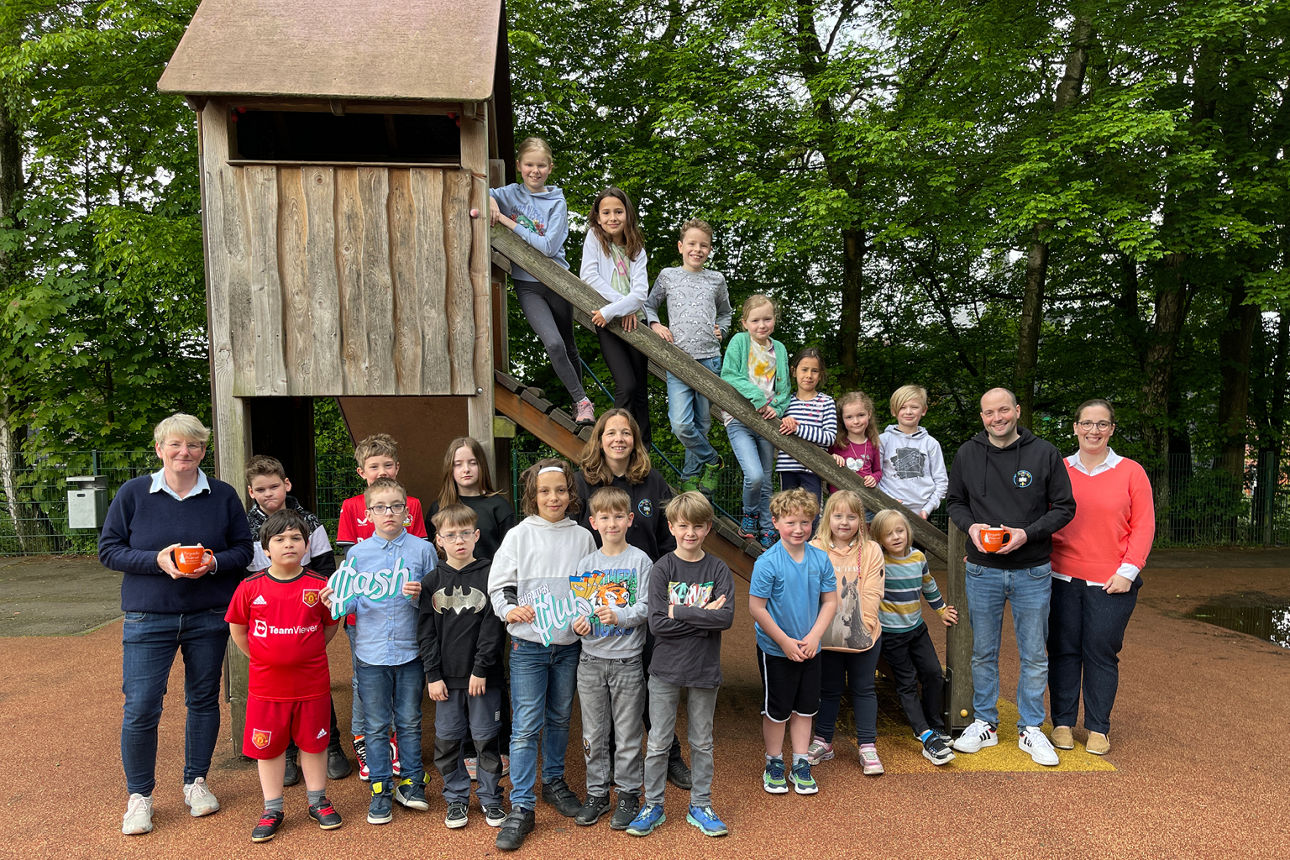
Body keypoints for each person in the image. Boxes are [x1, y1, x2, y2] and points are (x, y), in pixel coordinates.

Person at [100, 412, 254, 836]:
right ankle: (140, 798)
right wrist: (157, 561)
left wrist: (214, 562)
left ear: (203, 451)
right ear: (159, 449)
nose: (185, 452)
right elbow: (109, 550)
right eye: (176, 444)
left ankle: (196, 782)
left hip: (208, 615)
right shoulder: (133, 493)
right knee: (141, 706)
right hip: (149, 616)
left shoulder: (222, 496)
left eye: (194, 446)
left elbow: (243, 550)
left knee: (203, 700)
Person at [946, 387, 1076, 766]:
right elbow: (955, 502)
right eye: (989, 412)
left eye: (1003, 410)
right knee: (982, 652)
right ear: (982, 416)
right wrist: (970, 529)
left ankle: (1031, 728)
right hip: (982, 570)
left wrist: (1027, 533)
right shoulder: (968, 453)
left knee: (1034, 654)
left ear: (1017, 411)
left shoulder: (1044, 453)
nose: (997, 418)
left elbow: (1065, 507)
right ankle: (985, 722)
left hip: (1033, 570)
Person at [573, 409, 691, 790]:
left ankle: (666, 752)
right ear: (600, 438)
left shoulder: (651, 481)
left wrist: (669, 581)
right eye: (611, 432)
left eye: (627, 432)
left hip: (645, 595)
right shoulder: (583, 483)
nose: (619, 439)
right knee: (608, 683)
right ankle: (608, 764)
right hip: (599, 600)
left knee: (651, 677)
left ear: (634, 440)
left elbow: (668, 536)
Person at [488, 459, 596, 851]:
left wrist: (584, 617)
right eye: (545, 491)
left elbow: (589, 589)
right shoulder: (519, 535)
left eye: (561, 490)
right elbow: (500, 584)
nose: (554, 497)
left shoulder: (583, 537)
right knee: (526, 725)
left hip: (567, 647)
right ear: (532, 495)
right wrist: (508, 610)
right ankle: (521, 804)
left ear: (571, 494)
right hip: (528, 647)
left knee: (559, 718)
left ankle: (553, 781)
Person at [322, 477, 434, 825]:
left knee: (410, 720)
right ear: (368, 513)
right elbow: (349, 601)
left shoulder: (423, 550)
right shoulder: (356, 554)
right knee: (375, 724)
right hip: (370, 653)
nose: (389, 513)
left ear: (407, 512)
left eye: (397, 506)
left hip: (410, 651)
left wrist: (421, 597)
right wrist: (334, 601)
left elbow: (436, 603)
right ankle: (381, 789)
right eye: (381, 507)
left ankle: (413, 783)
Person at [226, 510, 343, 842]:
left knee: (314, 743)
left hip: (312, 683)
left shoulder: (320, 586)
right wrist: (263, 658)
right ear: (265, 549)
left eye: (296, 538)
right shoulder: (250, 587)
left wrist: (307, 651)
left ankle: (318, 800)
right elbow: (238, 628)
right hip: (267, 687)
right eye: (279, 539)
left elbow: (330, 624)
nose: (288, 544)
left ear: (307, 546)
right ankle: (272, 807)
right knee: (270, 748)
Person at [1048, 399, 1154, 756]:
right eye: (1087, 423)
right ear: (1075, 427)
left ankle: (1097, 728)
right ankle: (1061, 723)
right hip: (1061, 576)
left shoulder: (1131, 472)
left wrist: (1128, 571)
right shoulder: (1058, 469)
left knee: (1100, 652)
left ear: (1112, 429)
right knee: (1063, 651)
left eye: (1102, 424)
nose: (1094, 430)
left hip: (1112, 582)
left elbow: (1143, 526)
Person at [627, 492, 735, 839]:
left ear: (707, 528)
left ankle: (700, 804)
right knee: (658, 741)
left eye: (698, 526)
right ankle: (653, 804)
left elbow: (726, 619)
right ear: (672, 526)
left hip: (704, 669)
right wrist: (704, 615)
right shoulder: (663, 568)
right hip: (665, 669)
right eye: (683, 525)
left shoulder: (718, 568)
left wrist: (679, 611)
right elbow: (657, 625)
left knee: (702, 741)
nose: (690, 532)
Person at [244, 455, 351, 783]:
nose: (268, 494)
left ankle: (330, 745)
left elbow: (325, 567)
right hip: (268, 615)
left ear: (286, 485)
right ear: (251, 492)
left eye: (274, 486)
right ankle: (287, 752)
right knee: (275, 695)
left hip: (306, 610)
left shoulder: (310, 521)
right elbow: (248, 575)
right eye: (260, 489)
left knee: (314, 687)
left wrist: (318, 626)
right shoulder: (245, 526)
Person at [335, 432, 426, 780]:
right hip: (365, 613)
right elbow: (349, 563)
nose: (381, 470)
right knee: (365, 680)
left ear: (398, 468)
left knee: (403, 680)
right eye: (373, 466)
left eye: (387, 464)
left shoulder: (411, 505)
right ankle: (367, 743)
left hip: (403, 613)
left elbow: (417, 554)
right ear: (362, 472)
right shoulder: (351, 507)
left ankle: (399, 748)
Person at [426, 436, 516, 779]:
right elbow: (435, 555)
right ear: (450, 468)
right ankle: (463, 747)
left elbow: (511, 554)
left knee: (491, 671)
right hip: (451, 603)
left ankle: (498, 744)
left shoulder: (498, 506)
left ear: (482, 467)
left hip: (490, 596)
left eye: (472, 462)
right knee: (456, 677)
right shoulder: (439, 507)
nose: (466, 469)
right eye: (459, 463)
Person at [489, 136, 594, 425]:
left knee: (569, 346)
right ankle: (582, 401)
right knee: (554, 343)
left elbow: (548, 247)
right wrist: (489, 201)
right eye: (529, 165)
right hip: (528, 285)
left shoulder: (556, 201)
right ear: (520, 166)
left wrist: (508, 222)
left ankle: (579, 403)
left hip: (557, 281)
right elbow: (481, 189)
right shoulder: (509, 194)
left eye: (541, 165)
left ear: (550, 168)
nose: (535, 171)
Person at [417, 504, 508, 829]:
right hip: (446, 681)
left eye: (465, 533)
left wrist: (481, 669)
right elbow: (425, 633)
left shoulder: (490, 575)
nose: (459, 540)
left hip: (484, 678)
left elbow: (493, 628)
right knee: (448, 742)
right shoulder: (431, 582)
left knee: (486, 740)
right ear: (439, 540)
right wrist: (433, 675)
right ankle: (456, 800)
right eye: (451, 535)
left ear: (476, 535)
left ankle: (491, 798)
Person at [570, 487, 653, 830]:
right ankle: (597, 793)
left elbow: (647, 607)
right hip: (590, 661)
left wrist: (620, 616)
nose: (612, 522)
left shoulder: (640, 561)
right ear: (593, 523)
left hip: (627, 662)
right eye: (604, 517)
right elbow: (578, 611)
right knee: (594, 732)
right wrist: (577, 624)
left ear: (630, 519)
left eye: (619, 515)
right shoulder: (586, 564)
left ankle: (630, 793)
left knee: (629, 732)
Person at [748, 489, 838, 796]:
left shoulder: (821, 559)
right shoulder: (767, 562)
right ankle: (774, 761)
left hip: (811, 648)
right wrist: (785, 642)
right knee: (777, 710)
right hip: (776, 650)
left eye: (805, 522)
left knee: (806, 708)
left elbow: (829, 602)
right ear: (775, 522)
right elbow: (757, 608)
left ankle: (801, 762)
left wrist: (814, 637)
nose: (798, 529)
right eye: (790, 522)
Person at [644, 218, 732, 494]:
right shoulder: (668, 276)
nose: (698, 249)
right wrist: (655, 324)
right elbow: (648, 305)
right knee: (682, 424)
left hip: (709, 359)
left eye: (703, 245)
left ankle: (690, 479)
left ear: (709, 249)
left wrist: (724, 330)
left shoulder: (716, 279)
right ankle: (713, 461)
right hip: (678, 361)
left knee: (702, 425)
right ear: (681, 246)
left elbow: (726, 313)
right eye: (692, 244)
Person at [805, 491, 885, 774]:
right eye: (838, 516)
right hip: (826, 635)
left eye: (851, 516)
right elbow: (810, 589)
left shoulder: (872, 550)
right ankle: (823, 740)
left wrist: (865, 624)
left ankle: (867, 745)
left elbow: (872, 590)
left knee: (864, 688)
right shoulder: (815, 547)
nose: (844, 522)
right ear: (828, 518)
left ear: (860, 520)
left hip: (862, 634)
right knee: (829, 690)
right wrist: (817, 629)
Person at [872, 508, 958, 766]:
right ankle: (922, 730)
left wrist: (941, 609)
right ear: (880, 539)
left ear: (908, 532)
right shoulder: (880, 562)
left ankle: (935, 723)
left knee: (933, 673)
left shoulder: (918, 557)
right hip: (891, 634)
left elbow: (928, 585)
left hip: (917, 629)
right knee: (906, 681)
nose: (896, 537)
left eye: (900, 531)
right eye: (889, 534)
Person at [580, 186, 652, 444]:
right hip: (608, 323)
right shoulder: (594, 239)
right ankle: (610, 441)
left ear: (628, 214)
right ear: (598, 217)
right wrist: (623, 307)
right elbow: (588, 276)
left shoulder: (637, 248)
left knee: (641, 392)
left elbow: (641, 292)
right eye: (606, 212)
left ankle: (643, 449)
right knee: (626, 385)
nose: (613, 217)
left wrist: (622, 308)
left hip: (635, 323)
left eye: (618, 212)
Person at [720, 293, 792, 548]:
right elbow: (729, 375)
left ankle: (766, 527)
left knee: (767, 478)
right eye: (755, 320)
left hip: (767, 421)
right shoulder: (740, 342)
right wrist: (757, 397)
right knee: (754, 474)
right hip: (740, 417)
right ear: (744, 323)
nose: (762, 325)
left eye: (767, 319)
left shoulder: (779, 348)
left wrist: (778, 408)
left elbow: (784, 389)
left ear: (774, 320)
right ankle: (749, 515)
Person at [774, 347, 837, 508]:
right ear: (794, 371)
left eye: (814, 371)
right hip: (787, 466)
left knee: (813, 511)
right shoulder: (784, 401)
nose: (809, 375)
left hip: (814, 467)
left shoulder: (826, 402)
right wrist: (783, 421)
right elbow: (775, 430)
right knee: (786, 509)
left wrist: (798, 429)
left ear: (820, 374)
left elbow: (829, 437)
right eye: (804, 370)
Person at [877, 384, 948, 520]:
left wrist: (928, 508)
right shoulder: (882, 441)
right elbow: (875, 476)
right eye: (902, 407)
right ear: (893, 411)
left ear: (924, 410)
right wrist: (888, 500)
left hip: (922, 515)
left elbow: (941, 481)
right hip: (889, 511)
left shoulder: (931, 443)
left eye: (914, 407)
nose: (908, 412)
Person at [829, 390, 882, 495]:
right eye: (849, 417)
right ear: (842, 419)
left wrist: (874, 478)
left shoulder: (873, 444)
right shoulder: (836, 443)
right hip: (839, 500)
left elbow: (878, 471)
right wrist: (832, 457)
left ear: (869, 414)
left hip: (865, 501)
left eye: (861, 415)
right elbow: (823, 461)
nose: (856, 421)